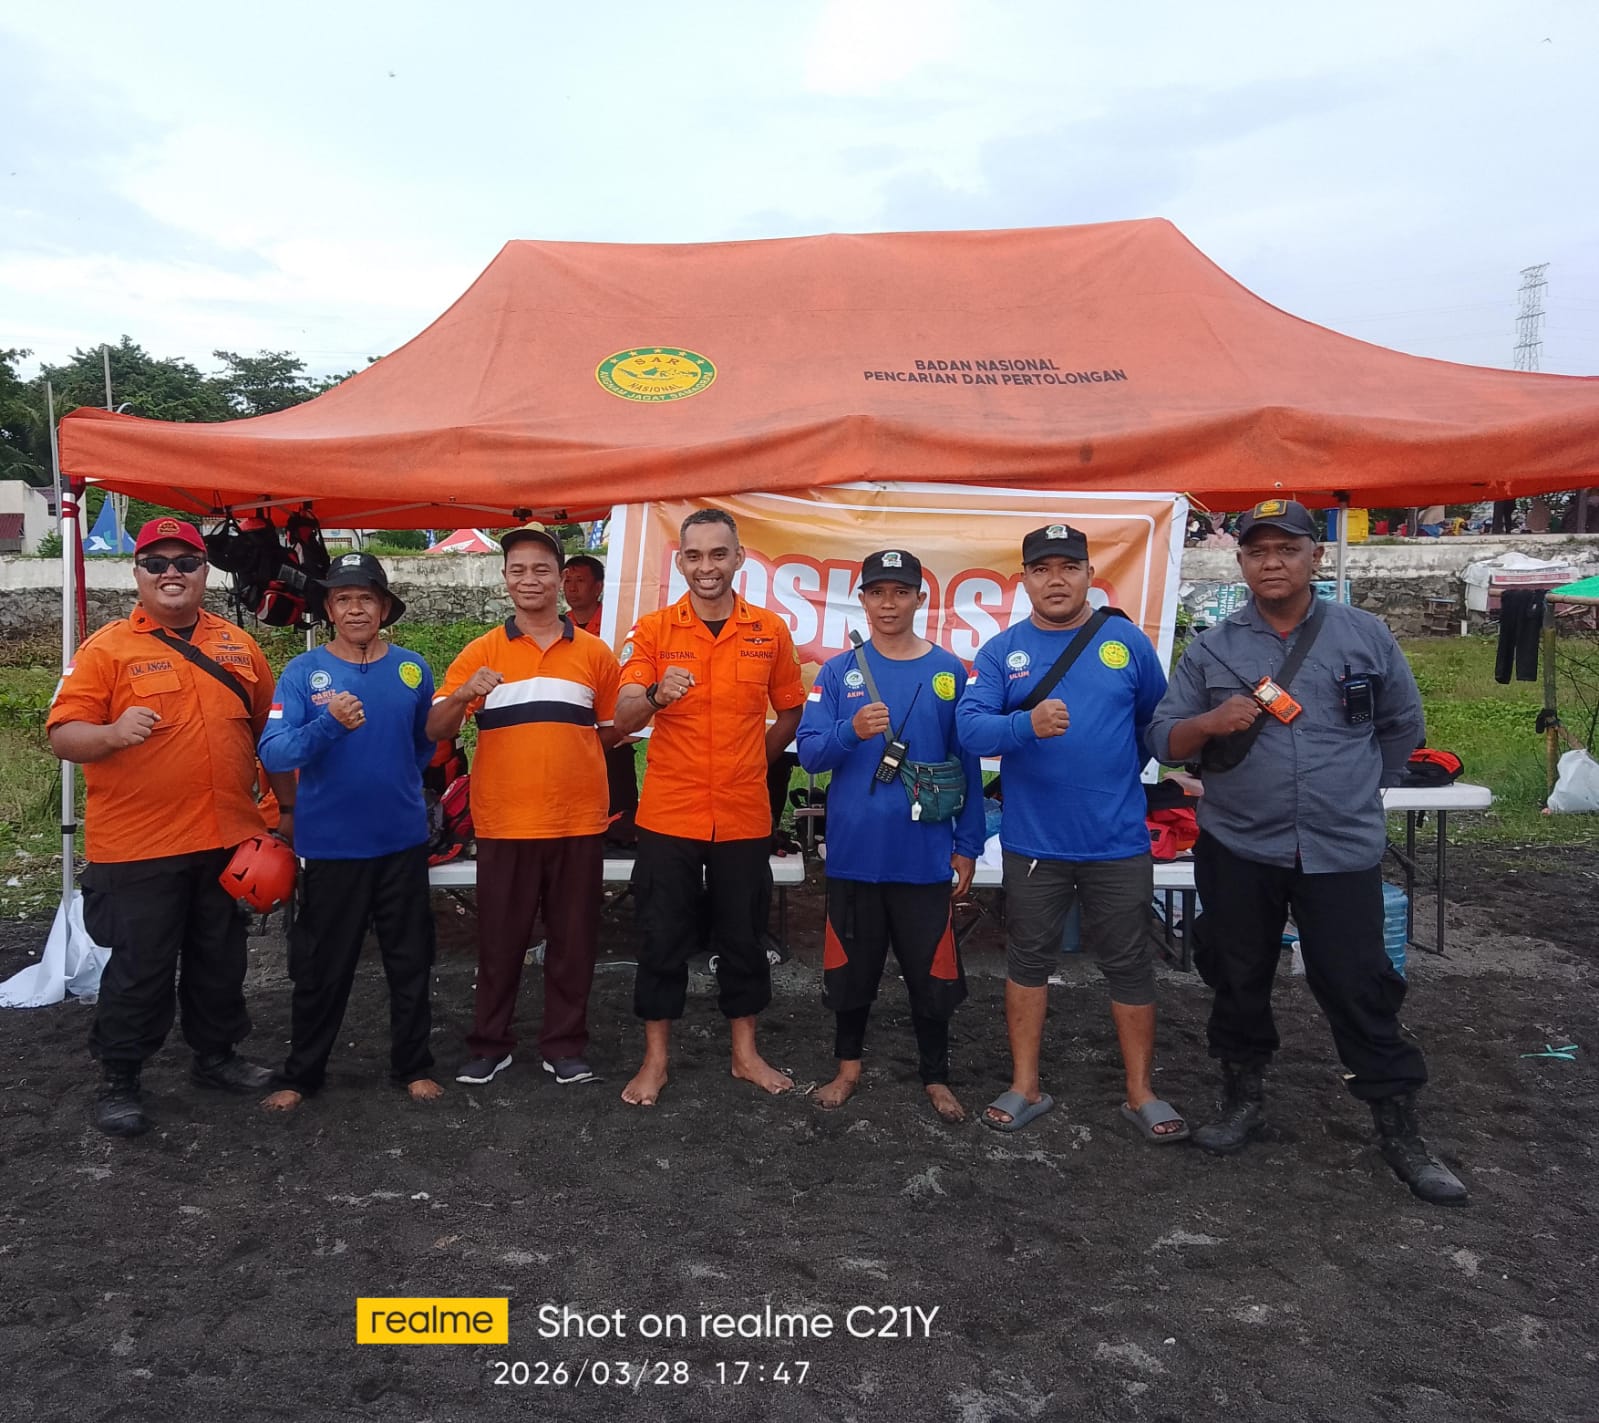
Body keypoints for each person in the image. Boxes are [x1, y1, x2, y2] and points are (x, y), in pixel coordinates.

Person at [1146, 498, 1467, 1206]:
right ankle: (1242, 1099)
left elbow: (1400, 725)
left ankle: (1399, 1128)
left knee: (1357, 982)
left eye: (1286, 549)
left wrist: (1355, 788)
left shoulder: (1364, 635)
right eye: (1257, 550)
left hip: (1339, 846)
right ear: (1240, 561)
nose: (1272, 562)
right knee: (1236, 974)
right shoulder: (1212, 648)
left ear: (1314, 557)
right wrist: (1210, 721)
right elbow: (1163, 739)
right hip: (1238, 844)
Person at [47, 516, 293, 1136]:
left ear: (205, 571)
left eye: (185, 562)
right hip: (138, 847)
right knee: (141, 967)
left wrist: (285, 811)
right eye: (156, 563)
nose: (171, 573)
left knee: (220, 959)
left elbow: (270, 738)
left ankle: (217, 1057)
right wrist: (110, 733)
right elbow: (63, 735)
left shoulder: (239, 646)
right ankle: (121, 1078)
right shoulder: (105, 650)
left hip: (227, 838)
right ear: (137, 573)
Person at [956, 523, 1184, 1141]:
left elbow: (1154, 725)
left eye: (1068, 567)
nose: (1055, 580)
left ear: (1089, 575)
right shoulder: (1002, 652)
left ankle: (1140, 1093)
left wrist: (1115, 777)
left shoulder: (1126, 642)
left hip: (1117, 841)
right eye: (1041, 569)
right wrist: (1024, 725)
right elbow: (970, 730)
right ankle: (1024, 1086)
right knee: (1028, 961)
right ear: (1024, 579)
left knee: (1130, 963)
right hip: (1035, 843)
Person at [615, 508, 806, 1106]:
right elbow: (622, 716)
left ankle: (745, 1055)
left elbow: (791, 710)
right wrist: (654, 695)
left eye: (718, 554)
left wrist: (755, 760)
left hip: (744, 812)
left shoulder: (769, 630)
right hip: (669, 813)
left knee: (743, 936)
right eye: (695, 556)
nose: (707, 567)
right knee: (661, 936)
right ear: (680, 563)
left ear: (739, 558)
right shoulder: (653, 630)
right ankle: (655, 1060)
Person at [427, 525, 621, 1087]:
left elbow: (611, 732)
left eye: (541, 569)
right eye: (518, 569)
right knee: (499, 942)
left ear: (561, 578)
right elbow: (435, 728)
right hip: (505, 821)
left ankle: (565, 1045)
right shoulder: (481, 652)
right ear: (505, 578)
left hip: (577, 820)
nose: (529, 579)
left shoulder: (594, 653)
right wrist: (465, 694)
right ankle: (491, 1044)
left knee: (573, 942)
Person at [796, 549, 985, 1121]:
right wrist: (850, 731)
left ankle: (936, 1076)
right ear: (862, 600)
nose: (888, 604)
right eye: (877, 592)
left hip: (924, 856)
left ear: (920, 599)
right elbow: (810, 754)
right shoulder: (837, 672)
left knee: (933, 973)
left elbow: (968, 764)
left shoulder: (950, 672)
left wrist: (967, 845)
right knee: (851, 971)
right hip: (855, 855)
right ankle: (847, 1068)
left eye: (900, 592)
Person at [257, 552, 442, 1111]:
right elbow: (274, 752)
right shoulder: (302, 672)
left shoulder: (413, 669)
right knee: (323, 966)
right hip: (332, 848)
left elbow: (423, 746)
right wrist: (328, 726)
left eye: (366, 598)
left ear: (384, 608)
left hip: (402, 843)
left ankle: (414, 1065)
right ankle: (302, 1074)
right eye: (343, 599)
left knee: (410, 960)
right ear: (329, 609)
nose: (355, 609)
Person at [563, 553, 641, 847]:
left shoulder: (619, 626)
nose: (571, 587)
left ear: (598, 587)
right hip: (572, 735)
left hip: (613, 734)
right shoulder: (557, 627)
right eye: (567, 581)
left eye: (580, 580)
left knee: (619, 820)